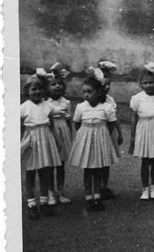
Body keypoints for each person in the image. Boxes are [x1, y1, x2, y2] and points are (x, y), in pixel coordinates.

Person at [68, 67, 119, 212]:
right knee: (88, 170)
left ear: (99, 92)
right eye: (84, 92)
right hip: (86, 141)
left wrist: (102, 136)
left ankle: (97, 196)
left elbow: (111, 124)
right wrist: (86, 136)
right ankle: (88, 197)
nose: (86, 95)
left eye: (89, 92)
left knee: (97, 170)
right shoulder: (80, 107)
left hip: (100, 141)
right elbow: (77, 124)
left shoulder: (107, 107)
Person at [21, 69, 62, 219]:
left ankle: (44, 202)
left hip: (45, 140)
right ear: (27, 91)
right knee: (30, 173)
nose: (37, 92)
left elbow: (51, 125)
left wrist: (57, 140)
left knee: (45, 172)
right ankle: (32, 204)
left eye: (40, 88)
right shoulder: (23, 108)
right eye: (33, 89)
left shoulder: (48, 106)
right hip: (30, 141)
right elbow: (19, 128)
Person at [129, 62, 154, 201]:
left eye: (151, 82)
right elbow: (134, 118)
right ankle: (145, 188)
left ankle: (153, 187)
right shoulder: (137, 98)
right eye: (145, 83)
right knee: (145, 161)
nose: (148, 85)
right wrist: (132, 136)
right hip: (143, 129)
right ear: (141, 84)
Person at [45, 63, 73, 205]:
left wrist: (70, 137)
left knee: (60, 165)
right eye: (53, 84)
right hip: (50, 132)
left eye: (59, 84)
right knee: (50, 165)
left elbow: (69, 121)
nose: (57, 86)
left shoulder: (66, 102)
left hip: (62, 134)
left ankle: (61, 192)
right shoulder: (45, 103)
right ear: (47, 87)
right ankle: (50, 193)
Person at [98, 61, 123, 200]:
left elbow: (114, 118)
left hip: (109, 133)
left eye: (108, 85)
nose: (106, 88)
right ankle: (96, 187)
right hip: (96, 133)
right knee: (96, 160)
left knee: (106, 161)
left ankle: (104, 186)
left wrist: (119, 133)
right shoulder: (92, 99)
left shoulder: (110, 100)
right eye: (103, 85)